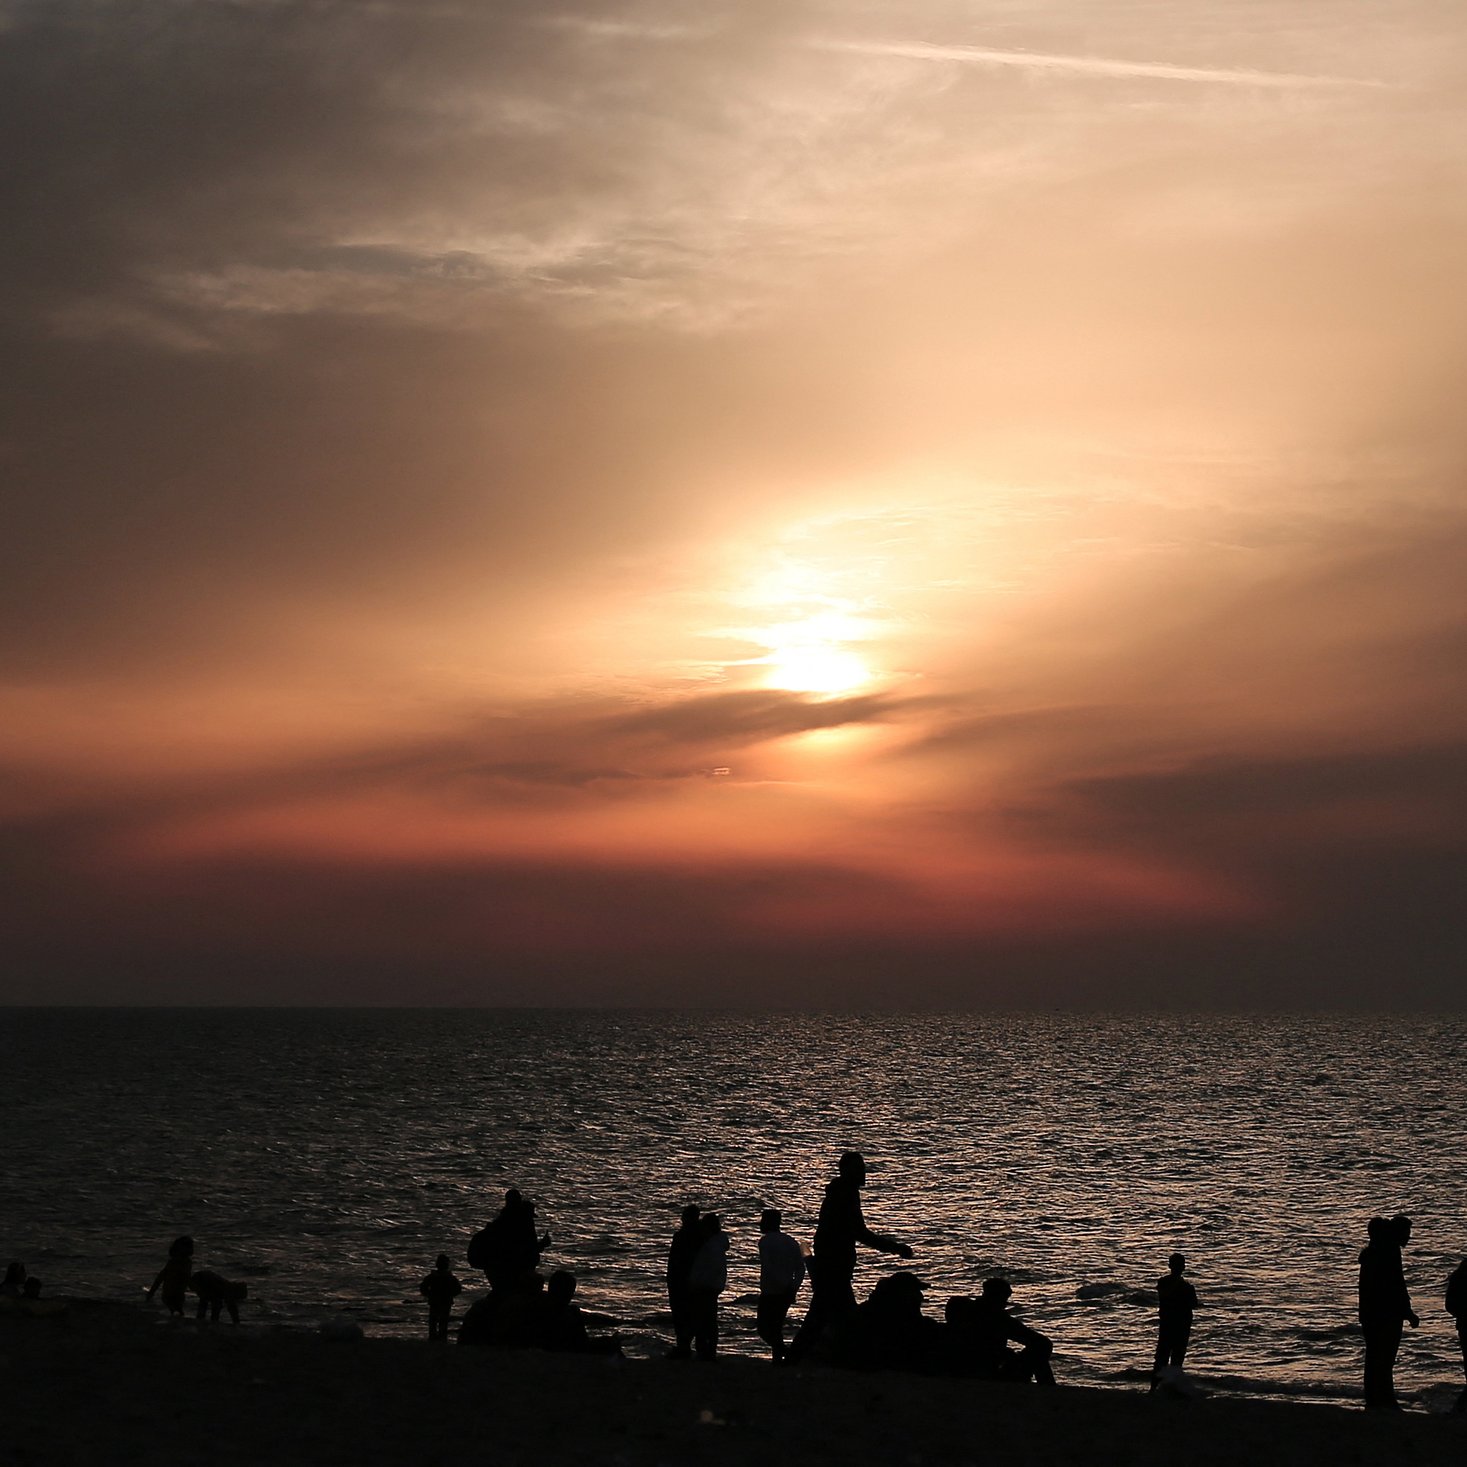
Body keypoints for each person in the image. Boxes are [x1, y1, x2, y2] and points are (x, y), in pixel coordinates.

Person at [787, 1151, 913, 1363]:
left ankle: (795, 1358)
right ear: (847, 1171)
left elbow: (834, 1234)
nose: (864, 1172)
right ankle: (857, 1360)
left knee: (823, 1316)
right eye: (859, 1168)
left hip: (834, 1266)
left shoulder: (842, 1193)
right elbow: (859, 1232)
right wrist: (895, 1248)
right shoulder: (845, 1194)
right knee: (837, 1317)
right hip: (835, 1267)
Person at [1358, 1214, 1418, 1410]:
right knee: (1384, 1359)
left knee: (1375, 1358)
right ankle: (1384, 1401)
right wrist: (1407, 1312)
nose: (1408, 1238)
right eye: (1407, 1233)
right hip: (1385, 1315)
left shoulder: (1373, 1254)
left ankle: (1375, 1400)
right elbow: (1396, 1285)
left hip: (1371, 1314)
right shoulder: (1389, 1253)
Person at [947, 1278, 1055, 1385]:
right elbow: (1040, 1342)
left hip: (959, 1369)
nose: (1005, 1303)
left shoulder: (966, 1311)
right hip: (986, 1373)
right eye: (1005, 1297)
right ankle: (1047, 1387)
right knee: (1041, 1346)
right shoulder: (998, 1319)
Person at [832, 1271, 944, 1373]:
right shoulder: (891, 1321)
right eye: (916, 1292)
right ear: (903, 1296)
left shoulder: (872, 1312)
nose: (920, 1296)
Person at [469, 1189, 551, 1293]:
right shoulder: (521, 1224)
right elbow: (523, 1250)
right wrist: (542, 1244)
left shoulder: (499, 1223)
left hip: (499, 1272)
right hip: (512, 1272)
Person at [756, 1208, 806, 1363]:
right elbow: (800, 1268)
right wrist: (793, 1287)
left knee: (764, 1328)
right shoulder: (791, 1241)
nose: (760, 1224)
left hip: (772, 1291)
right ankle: (778, 1359)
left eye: (763, 1220)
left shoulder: (765, 1241)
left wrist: (783, 1286)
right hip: (787, 1291)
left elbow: (768, 1266)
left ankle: (786, 1353)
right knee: (776, 1327)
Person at [532, 1270, 622, 1355]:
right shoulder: (552, 1314)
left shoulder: (570, 1311)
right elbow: (580, 1344)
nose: (570, 1296)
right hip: (569, 1352)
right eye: (569, 1292)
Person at [687, 1212, 730, 1361]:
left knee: (704, 1319)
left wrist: (696, 1282)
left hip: (705, 1286)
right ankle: (708, 1350)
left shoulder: (711, 1246)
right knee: (709, 1319)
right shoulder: (716, 1244)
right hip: (712, 1286)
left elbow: (707, 1268)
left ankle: (706, 1351)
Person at [1152, 1253, 1198, 1387]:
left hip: (1174, 1325)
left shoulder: (1174, 1284)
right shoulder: (1181, 1286)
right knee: (1169, 1358)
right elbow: (1192, 1304)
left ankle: (1161, 1388)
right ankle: (1162, 1387)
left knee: (1168, 1358)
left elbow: (1192, 1304)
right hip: (1175, 1325)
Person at [665, 1204, 703, 1359]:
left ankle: (684, 1346)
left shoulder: (682, 1236)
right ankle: (687, 1345)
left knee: (681, 1314)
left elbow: (675, 1260)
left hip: (681, 1279)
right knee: (692, 1313)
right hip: (693, 1280)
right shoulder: (702, 1236)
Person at [420, 1253, 463, 1342]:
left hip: (438, 1301)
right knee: (441, 1322)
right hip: (443, 1301)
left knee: (436, 1322)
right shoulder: (449, 1277)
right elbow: (458, 1289)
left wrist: (429, 1294)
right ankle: (440, 1339)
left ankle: (436, 1339)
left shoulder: (435, 1276)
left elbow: (423, 1287)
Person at [146, 1237, 194, 1316]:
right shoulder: (181, 1263)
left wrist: (152, 1291)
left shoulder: (179, 1262)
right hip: (173, 1292)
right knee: (177, 1309)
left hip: (175, 1292)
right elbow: (162, 1276)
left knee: (176, 1309)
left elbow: (161, 1277)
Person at [1445, 1255, 1467, 1414]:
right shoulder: (1461, 1275)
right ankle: (1459, 1409)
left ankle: (1459, 1409)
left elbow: (1450, 1305)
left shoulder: (1459, 1274)